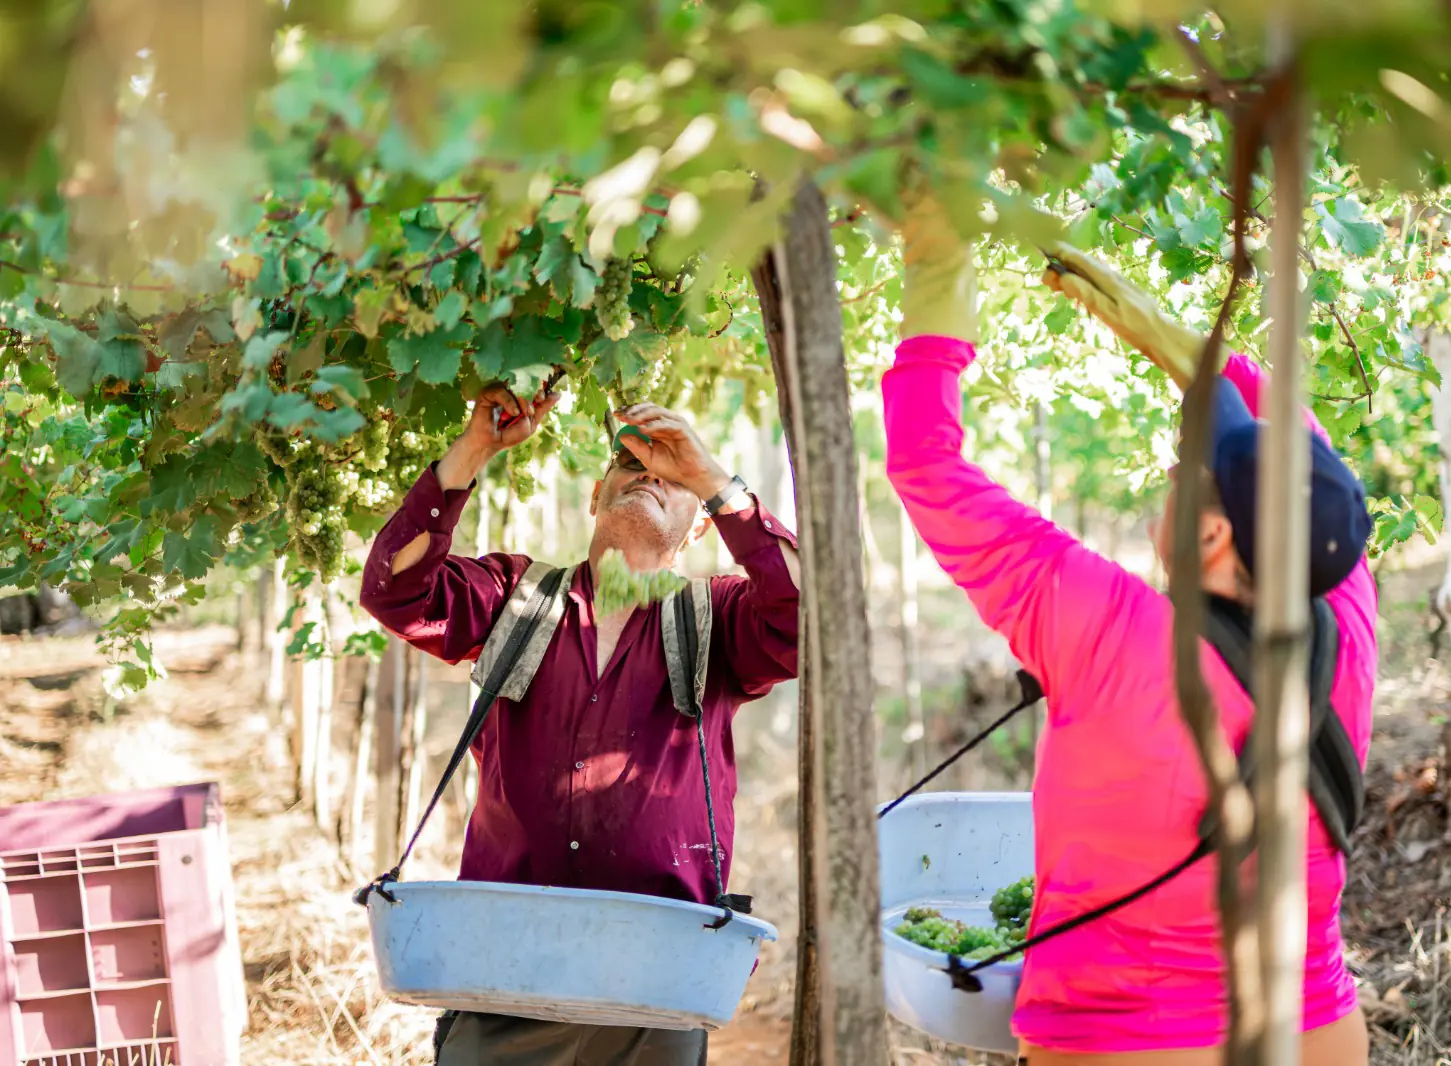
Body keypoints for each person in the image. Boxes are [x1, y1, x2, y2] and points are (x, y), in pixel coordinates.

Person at [878, 192, 1375, 1066]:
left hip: (1129, 1042)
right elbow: (1306, 454)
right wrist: (1185, 351)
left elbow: (927, 460)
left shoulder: (1103, 628)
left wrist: (937, 266)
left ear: (1213, 537)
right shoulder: (1345, 611)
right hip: (1316, 1032)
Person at [359, 386, 801, 1066]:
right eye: (631, 468)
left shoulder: (717, 619)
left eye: (673, 479)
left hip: (658, 986)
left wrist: (714, 478)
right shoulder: (517, 598)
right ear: (597, 494)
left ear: (700, 524)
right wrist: (476, 446)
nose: (649, 479)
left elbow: (811, 616)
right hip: (503, 976)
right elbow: (395, 588)